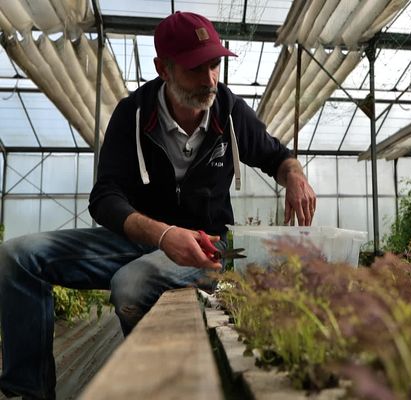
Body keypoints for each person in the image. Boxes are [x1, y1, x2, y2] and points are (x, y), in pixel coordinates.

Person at [0, 11, 316, 400]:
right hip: (138, 239)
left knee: (131, 284)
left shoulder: (230, 113)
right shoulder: (132, 115)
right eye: (195, 68)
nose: (210, 79)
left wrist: (295, 176)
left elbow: (278, 157)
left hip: (205, 245)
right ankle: (27, 392)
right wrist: (162, 234)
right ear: (162, 69)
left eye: (215, 64)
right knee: (16, 256)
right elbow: (104, 198)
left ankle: (158, 386)